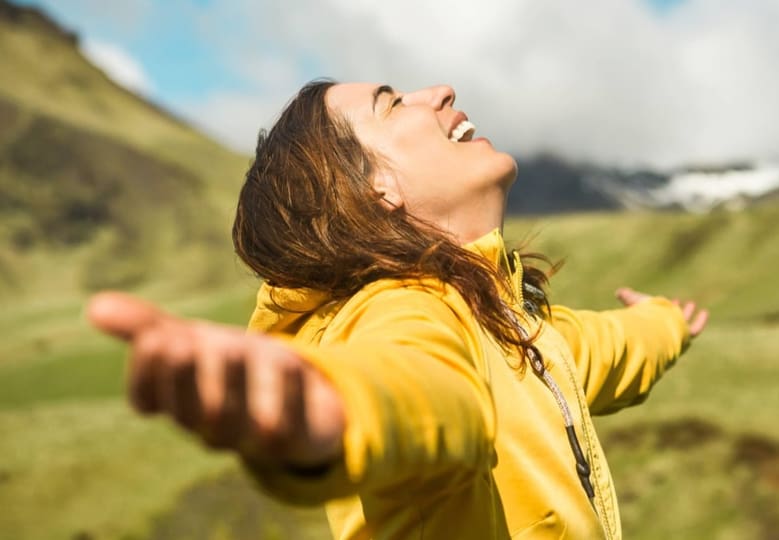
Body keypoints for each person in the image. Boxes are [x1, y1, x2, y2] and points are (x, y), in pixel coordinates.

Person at [87, 80, 708, 539]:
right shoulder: (406, 308)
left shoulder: (506, 320)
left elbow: (599, 349)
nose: (439, 92)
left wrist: (666, 321)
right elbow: (416, 387)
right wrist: (331, 410)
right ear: (372, 187)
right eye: (390, 103)